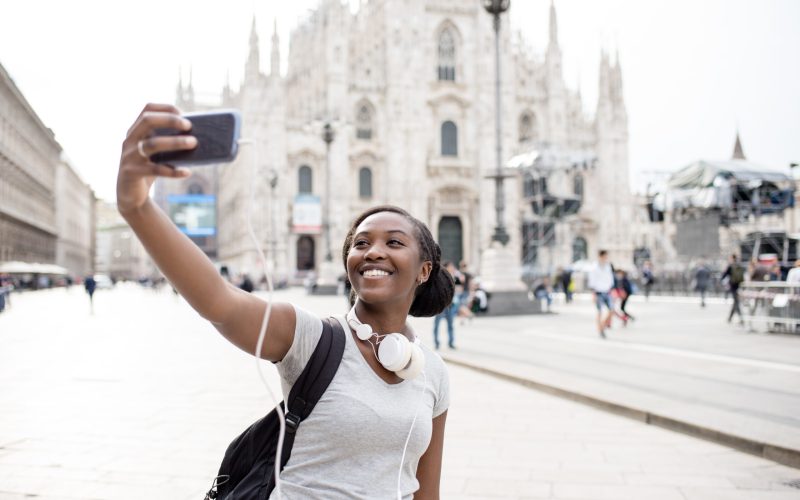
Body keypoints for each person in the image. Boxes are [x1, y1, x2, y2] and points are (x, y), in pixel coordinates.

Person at [116, 104, 452, 498]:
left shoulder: (432, 373)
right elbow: (218, 301)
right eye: (361, 243)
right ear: (348, 263)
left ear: (424, 270)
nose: (374, 251)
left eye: (394, 242)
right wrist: (136, 205)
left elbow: (426, 492)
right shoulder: (310, 338)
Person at [587, 250, 615, 338]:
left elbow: (611, 279)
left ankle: (602, 326)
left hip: (607, 291)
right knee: (599, 312)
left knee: (611, 310)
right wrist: (594, 294)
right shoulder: (594, 267)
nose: (606, 258)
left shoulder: (608, 267)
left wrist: (611, 289)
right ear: (600, 256)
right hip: (598, 292)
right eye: (605, 256)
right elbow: (592, 281)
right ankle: (600, 329)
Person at [433, 261, 458, 349]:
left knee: (450, 325)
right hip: (441, 305)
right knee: (437, 325)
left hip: (450, 305)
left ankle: (451, 342)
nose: (453, 268)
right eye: (451, 266)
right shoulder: (440, 277)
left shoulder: (453, 277)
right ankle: (436, 343)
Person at [721, 254, 744, 325]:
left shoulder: (730, 266)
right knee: (736, 301)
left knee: (736, 302)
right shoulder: (739, 265)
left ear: (732, 258)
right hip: (738, 285)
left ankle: (740, 318)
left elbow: (724, 275)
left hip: (733, 286)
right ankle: (730, 318)